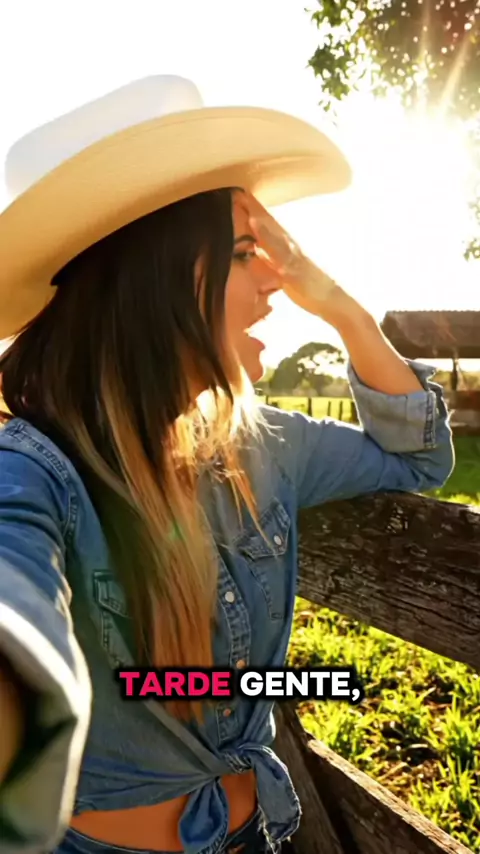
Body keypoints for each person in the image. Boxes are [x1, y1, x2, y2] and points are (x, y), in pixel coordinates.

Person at [0, 75, 453, 854]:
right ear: (158, 277)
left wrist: (339, 307)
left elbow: (420, 456)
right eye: (247, 254)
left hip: (259, 834)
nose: (279, 277)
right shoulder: (35, 471)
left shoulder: (262, 443)